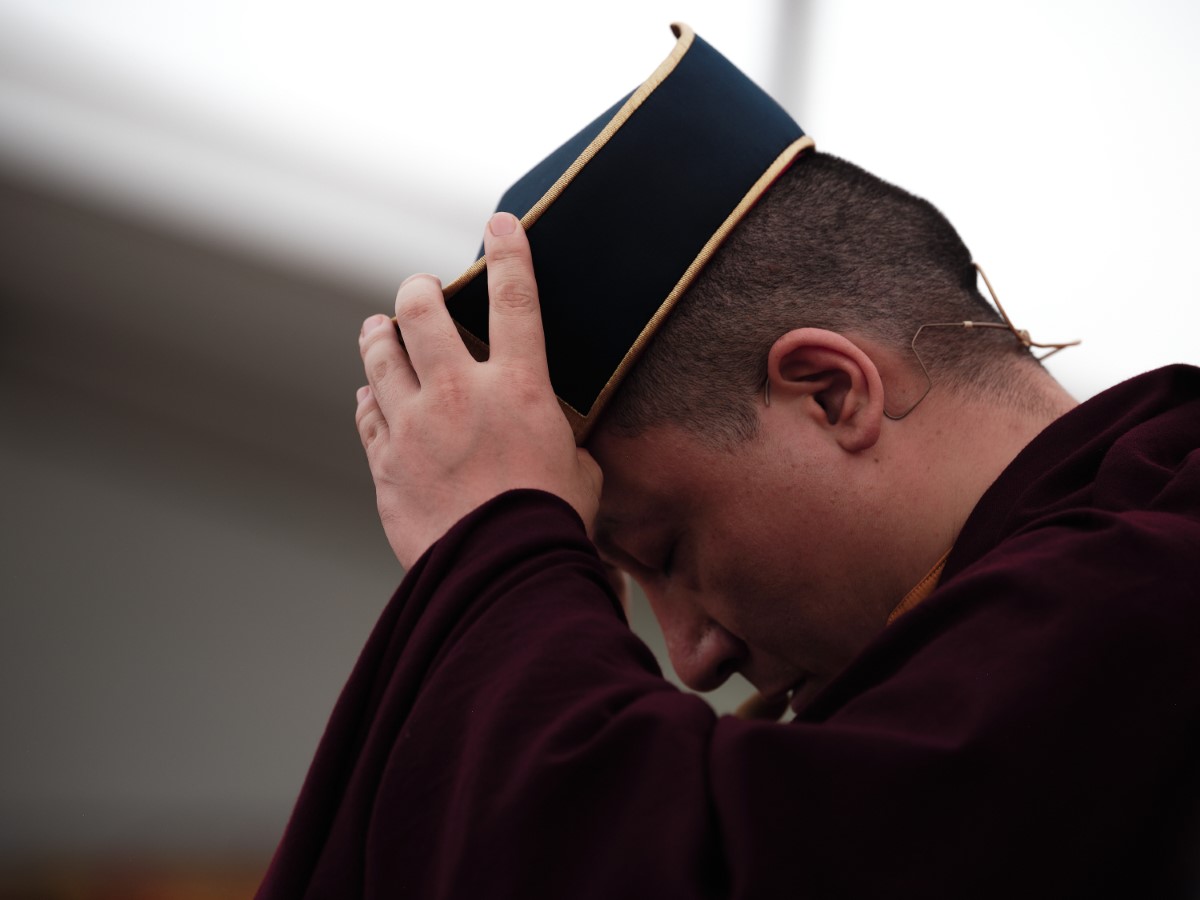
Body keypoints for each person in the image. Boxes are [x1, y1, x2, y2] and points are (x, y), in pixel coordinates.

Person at [257, 27, 1200, 900]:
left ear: (831, 393)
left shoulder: (1149, 598)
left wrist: (494, 551)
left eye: (664, 554)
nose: (696, 661)